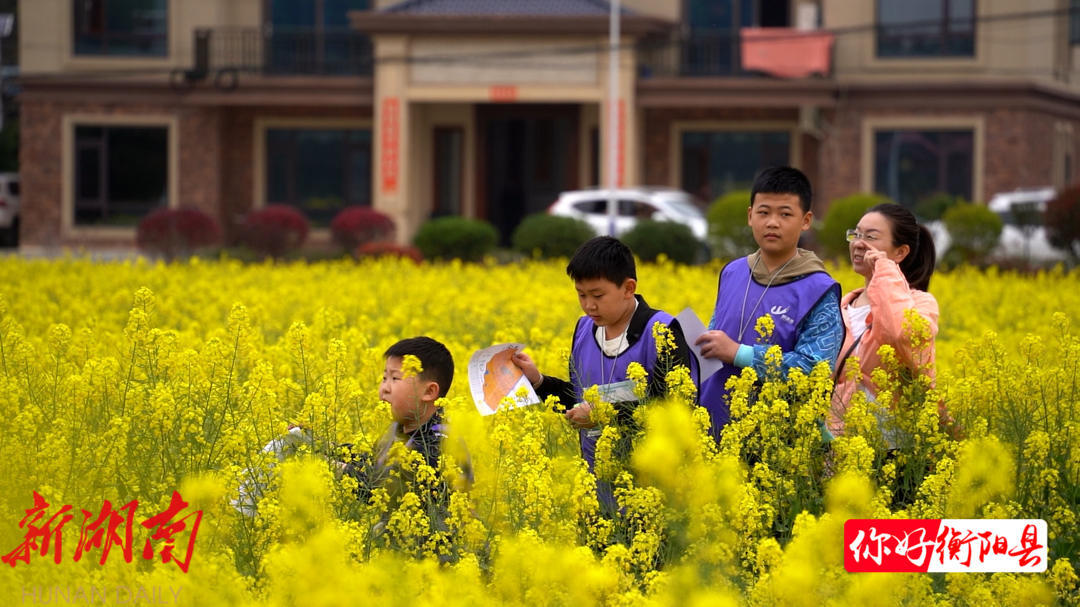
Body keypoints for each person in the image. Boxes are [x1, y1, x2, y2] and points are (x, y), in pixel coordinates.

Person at [511, 236, 697, 484]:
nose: (589, 306)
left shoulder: (662, 332)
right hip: (596, 484)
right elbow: (581, 400)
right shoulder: (583, 330)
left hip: (653, 485)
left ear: (628, 288)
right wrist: (539, 382)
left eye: (597, 295)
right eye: (581, 295)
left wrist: (604, 414)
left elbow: (674, 409)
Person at [696, 166, 844, 442]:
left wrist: (738, 353)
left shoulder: (819, 290)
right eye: (763, 212)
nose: (772, 222)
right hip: (715, 431)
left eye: (785, 214)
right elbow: (715, 337)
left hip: (778, 442)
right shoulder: (732, 272)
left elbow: (814, 369)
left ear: (806, 221)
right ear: (750, 216)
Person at [828, 203, 939, 437]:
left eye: (871, 237)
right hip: (838, 442)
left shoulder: (921, 304)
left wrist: (884, 269)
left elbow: (899, 333)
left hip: (894, 444)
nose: (859, 243)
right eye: (856, 234)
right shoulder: (841, 307)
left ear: (900, 253)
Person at [339, 336, 456, 498]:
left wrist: (333, 467)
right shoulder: (399, 426)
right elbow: (373, 462)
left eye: (395, 378)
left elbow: (384, 487)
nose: (384, 388)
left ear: (429, 392)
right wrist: (320, 445)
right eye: (384, 378)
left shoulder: (439, 444)